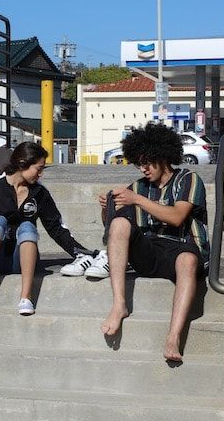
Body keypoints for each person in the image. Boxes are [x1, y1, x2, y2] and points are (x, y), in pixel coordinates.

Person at [61, 122, 208, 363]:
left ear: (163, 156)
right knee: (119, 224)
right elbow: (112, 229)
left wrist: (136, 199)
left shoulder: (188, 179)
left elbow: (177, 216)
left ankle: (173, 336)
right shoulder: (139, 186)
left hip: (184, 246)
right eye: (139, 163)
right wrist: (106, 210)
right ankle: (119, 304)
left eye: (147, 162)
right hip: (150, 250)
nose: (143, 169)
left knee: (188, 260)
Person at [0, 141, 91, 317]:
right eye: (39, 168)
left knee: (27, 225)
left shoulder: (39, 193)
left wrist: (81, 253)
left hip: (21, 262)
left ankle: (25, 298)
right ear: (22, 163)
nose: (41, 174)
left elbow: (56, 228)